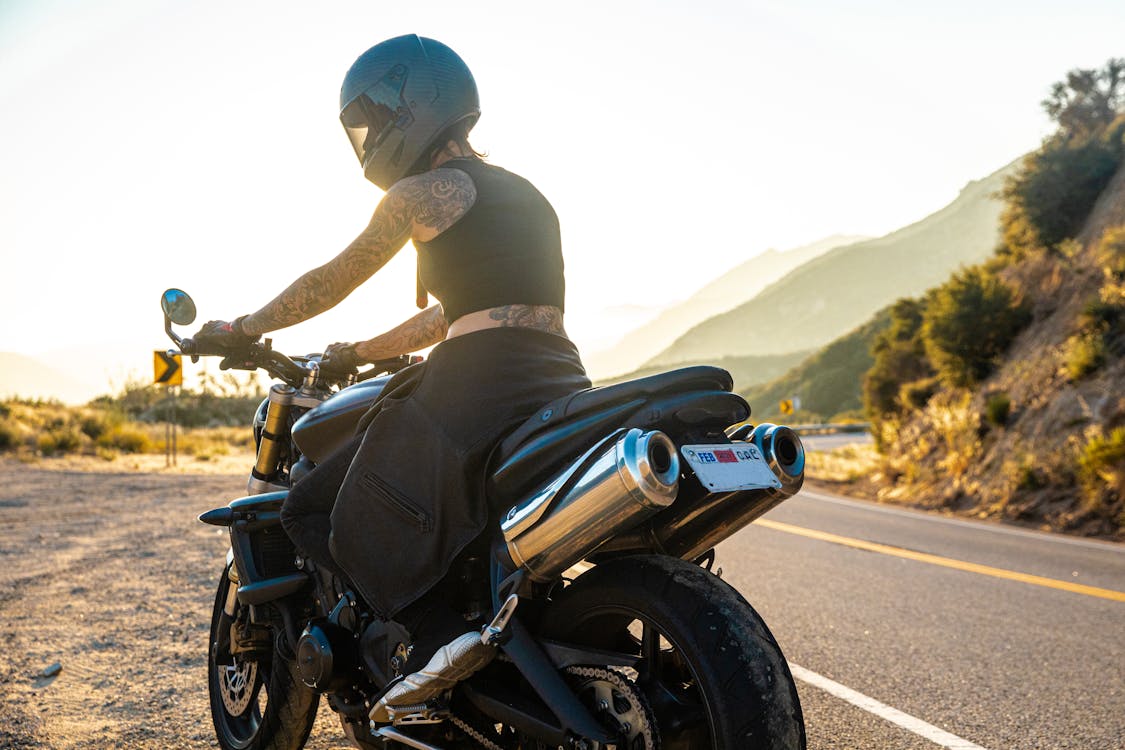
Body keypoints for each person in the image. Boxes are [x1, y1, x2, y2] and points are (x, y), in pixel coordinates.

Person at [193, 34, 590, 709]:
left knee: (313, 503)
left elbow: (332, 279)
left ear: (410, 106)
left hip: (479, 381)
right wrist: (362, 352)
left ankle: (431, 636)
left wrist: (245, 327)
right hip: (559, 377)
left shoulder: (421, 191)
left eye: (372, 120)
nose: (368, 136)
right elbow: (452, 315)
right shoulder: (523, 193)